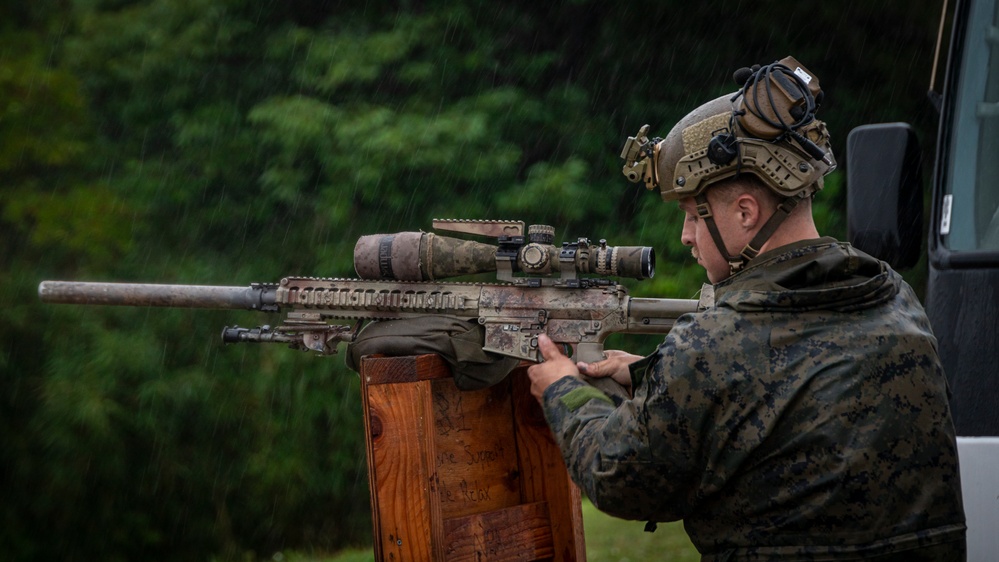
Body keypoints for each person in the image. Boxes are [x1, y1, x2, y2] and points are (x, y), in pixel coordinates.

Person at [527, 57, 967, 560]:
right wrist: (654, 375)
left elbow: (620, 477)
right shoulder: (892, 299)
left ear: (745, 212)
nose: (686, 236)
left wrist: (563, 388)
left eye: (694, 215)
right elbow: (780, 394)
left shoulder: (713, 343)